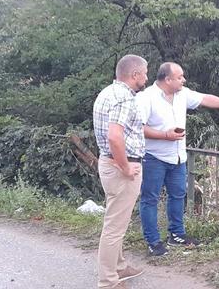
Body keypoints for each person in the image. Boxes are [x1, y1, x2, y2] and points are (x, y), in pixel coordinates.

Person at [136, 62, 219, 256]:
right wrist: (165, 135)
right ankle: (153, 242)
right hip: (154, 157)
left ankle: (177, 235)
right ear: (168, 79)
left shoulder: (182, 94)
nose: (184, 80)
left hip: (178, 157)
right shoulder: (146, 98)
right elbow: (138, 128)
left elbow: (206, 99)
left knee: (178, 195)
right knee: (150, 199)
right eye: (180, 77)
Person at [92, 54, 149, 288]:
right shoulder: (124, 98)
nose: (147, 77)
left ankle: (119, 266)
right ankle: (108, 281)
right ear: (134, 74)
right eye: (145, 73)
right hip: (121, 167)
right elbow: (115, 136)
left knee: (117, 219)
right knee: (114, 227)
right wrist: (125, 166)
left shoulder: (107, 92)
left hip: (108, 163)